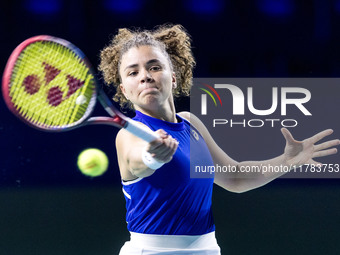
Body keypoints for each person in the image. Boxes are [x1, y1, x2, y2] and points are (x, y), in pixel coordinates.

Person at [98, 24, 339, 255]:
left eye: (154, 67)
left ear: (173, 77)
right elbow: (137, 160)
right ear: (124, 89)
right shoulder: (128, 134)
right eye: (133, 72)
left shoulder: (192, 123)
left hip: (206, 249)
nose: (145, 76)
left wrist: (285, 162)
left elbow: (234, 176)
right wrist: (152, 156)